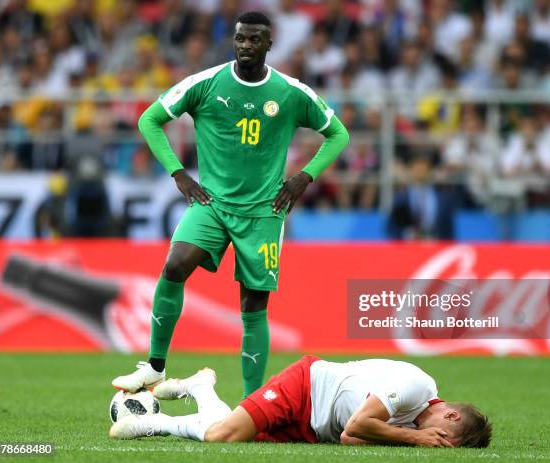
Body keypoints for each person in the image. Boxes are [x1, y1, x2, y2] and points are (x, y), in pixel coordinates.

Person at [111, 12, 350, 399]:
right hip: (213, 202)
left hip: (264, 211)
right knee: (174, 265)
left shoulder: (290, 92)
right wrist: (178, 173)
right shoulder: (206, 83)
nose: (245, 46)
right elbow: (150, 120)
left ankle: (252, 402)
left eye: (255, 40)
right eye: (240, 39)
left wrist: (304, 177)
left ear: (269, 45)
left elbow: (337, 134)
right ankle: (154, 367)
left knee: (253, 304)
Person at [109, 356, 492, 448]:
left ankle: (198, 387)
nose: (433, 444)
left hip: (315, 427)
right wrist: (415, 440)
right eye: (440, 438)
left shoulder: (409, 425)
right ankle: (163, 419)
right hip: (305, 386)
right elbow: (357, 428)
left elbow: (349, 439)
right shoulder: (417, 385)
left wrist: (408, 437)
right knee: (223, 436)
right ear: (451, 415)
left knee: (226, 436)